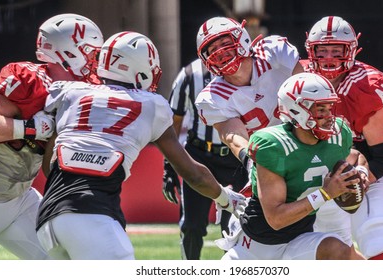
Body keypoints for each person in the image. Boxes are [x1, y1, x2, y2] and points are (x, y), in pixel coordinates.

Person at [35, 31, 247, 260]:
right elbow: (192, 173)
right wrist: (226, 198)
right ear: (138, 67)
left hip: (48, 216)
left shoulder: (71, 93)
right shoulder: (151, 105)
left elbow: (50, 166)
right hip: (93, 214)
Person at [0, 13, 104, 260]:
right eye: (89, 51)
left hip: (20, 200)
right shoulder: (29, 79)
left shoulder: (81, 91)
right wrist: (31, 128)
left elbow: (48, 166)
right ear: (67, 51)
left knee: (66, 263)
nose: (93, 60)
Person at [220, 72, 368, 260]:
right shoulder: (275, 145)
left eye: (329, 108)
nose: (329, 116)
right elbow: (276, 219)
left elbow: (356, 157)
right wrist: (325, 194)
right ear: (298, 111)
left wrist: (361, 172)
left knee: (340, 251)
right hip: (257, 248)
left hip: (300, 238)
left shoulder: (337, 136)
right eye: (321, 109)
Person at [301, 15, 383, 259]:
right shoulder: (298, 78)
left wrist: (357, 180)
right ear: (310, 50)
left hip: (363, 171)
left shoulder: (366, 85)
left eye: (336, 50)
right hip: (316, 174)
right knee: (328, 252)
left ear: (352, 50)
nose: (328, 58)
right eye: (322, 50)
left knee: (379, 238)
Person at [162, 58, 248, 260]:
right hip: (200, 156)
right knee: (192, 226)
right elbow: (173, 121)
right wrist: (169, 167)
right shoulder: (190, 74)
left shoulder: (248, 71)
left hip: (237, 159)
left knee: (236, 227)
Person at [194, 16, 304, 172]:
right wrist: (251, 161)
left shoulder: (274, 54)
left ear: (242, 39)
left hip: (306, 137)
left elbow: (309, 92)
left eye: (225, 44)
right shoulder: (212, 97)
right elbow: (233, 136)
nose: (220, 52)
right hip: (272, 155)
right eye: (213, 50)